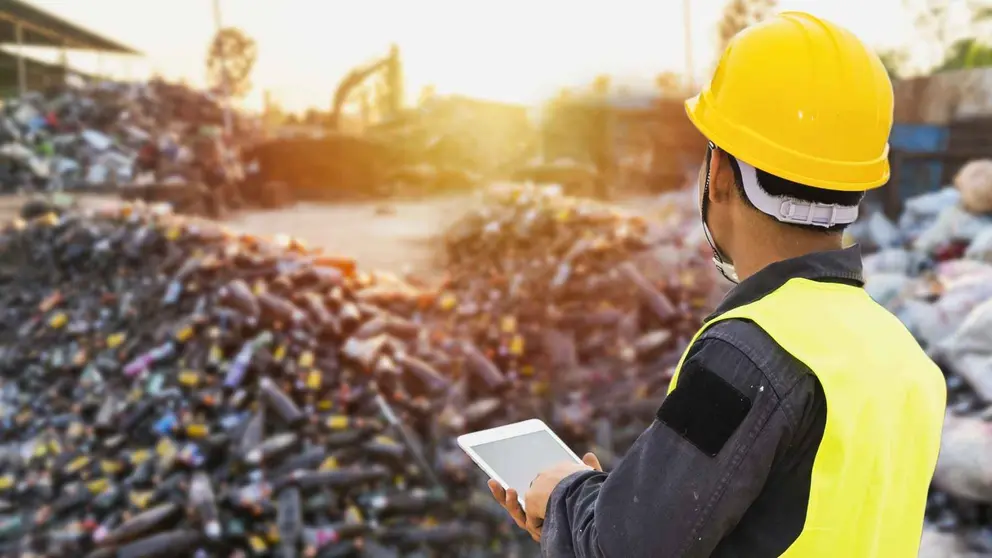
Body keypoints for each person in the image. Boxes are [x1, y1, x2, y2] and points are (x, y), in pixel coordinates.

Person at [488, 11, 947, 557]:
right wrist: (604, 500)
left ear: (721, 174)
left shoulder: (749, 356)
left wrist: (563, 497)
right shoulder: (902, 355)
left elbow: (625, 550)